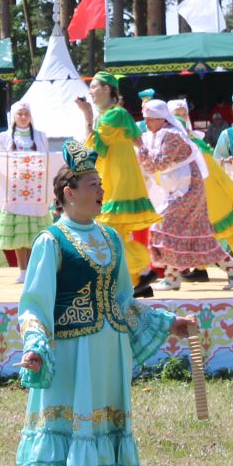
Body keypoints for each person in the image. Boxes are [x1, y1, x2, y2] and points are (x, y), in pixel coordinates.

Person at [16, 142, 198, 466]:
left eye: (101, 184)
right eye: (92, 184)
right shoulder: (51, 241)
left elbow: (124, 303)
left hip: (107, 353)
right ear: (68, 192)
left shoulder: (111, 240)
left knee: (104, 434)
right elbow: (35, 303)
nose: (100, 191)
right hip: (68, 352)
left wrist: (170, 324)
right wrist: (35, 346)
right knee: (68, 437)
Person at [167, 98, 233, 282]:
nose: (181, 119)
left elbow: (210, 173)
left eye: (183, 115)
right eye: (177, 116)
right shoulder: (183, 143)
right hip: (198, 197)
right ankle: (199, 269)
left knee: (231, 233)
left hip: (212, 196)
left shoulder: (192, 144)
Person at [76, 73, 157, 298]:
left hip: (118, 179)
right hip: (113, 177)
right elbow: (135, 138)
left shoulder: (115, 114)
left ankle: (143, 270)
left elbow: (96, 148)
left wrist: (87, 116)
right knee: (113, 234)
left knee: (108, 234)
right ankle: (139, 279)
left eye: (93, 86)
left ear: (108, 89)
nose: (90, 90)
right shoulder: (112, 115)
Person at [141, 99, 233, 291]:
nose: (147, 123)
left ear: (160, 119)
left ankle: (173, 277)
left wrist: (140, 149)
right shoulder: (161, 134)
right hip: (180, 187)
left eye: (149, 119)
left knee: (164, 226)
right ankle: (231, 266)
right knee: (193, 234)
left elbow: (159, 164)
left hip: (186, 189)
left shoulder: (171, 135)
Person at [0, 101, 50, 273]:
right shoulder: (3, 137)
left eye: (26, 114)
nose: (23, 117)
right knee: (18, 232)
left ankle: (32, 269)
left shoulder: (40, 136)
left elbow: (47, 160)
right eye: (20, 114)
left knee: (33, 231)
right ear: (13, 117)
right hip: (14, 190)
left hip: (34, 190)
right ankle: (22, 270)